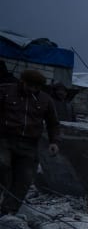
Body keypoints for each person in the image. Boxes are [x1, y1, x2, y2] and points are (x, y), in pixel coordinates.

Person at [0, 69, 61, 215]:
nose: (33, 89)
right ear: (23, 82)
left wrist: (54, 142)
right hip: (5, 139)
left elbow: (53, 123)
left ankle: (8, 212)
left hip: (29, 144)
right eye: (30, 86)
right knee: (2, 166)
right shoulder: (5, 91)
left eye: (36, 87)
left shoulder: (45, 100)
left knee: (24, 179)